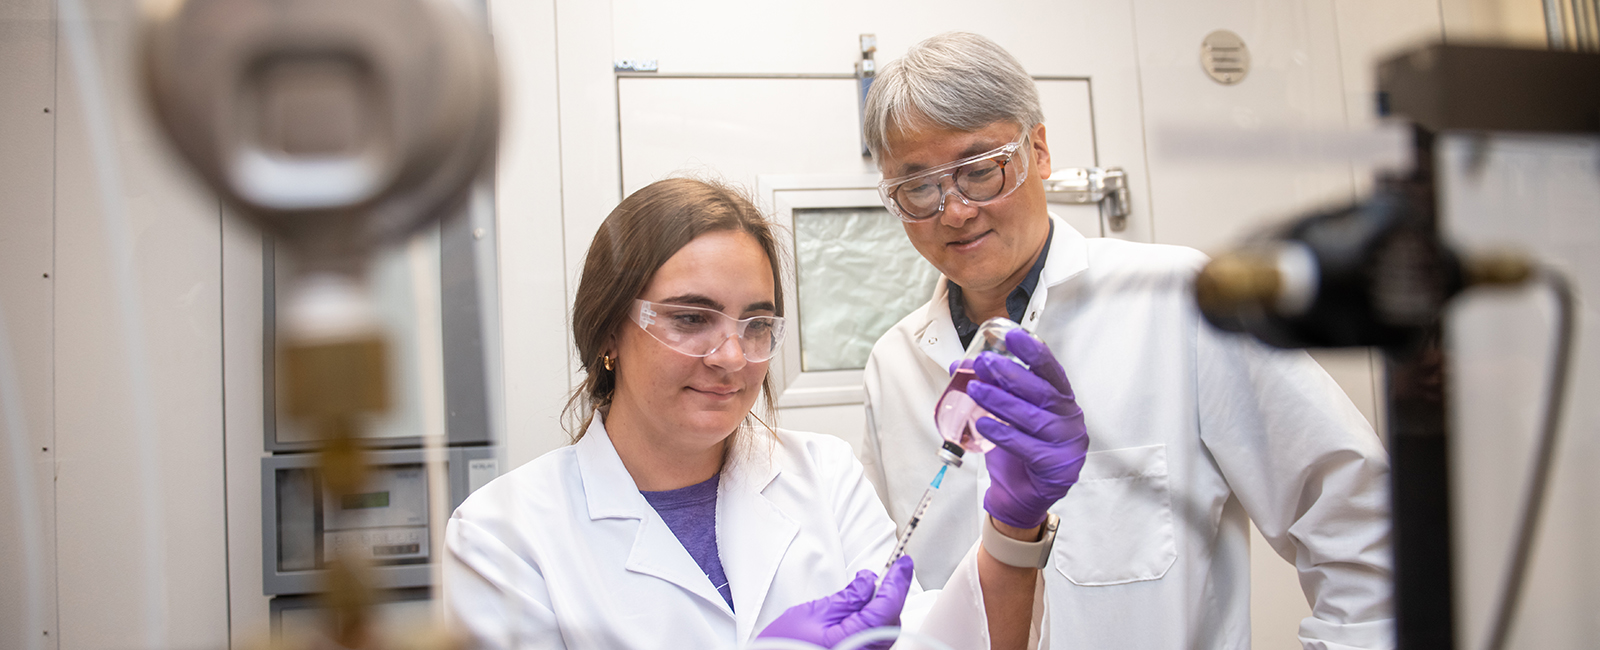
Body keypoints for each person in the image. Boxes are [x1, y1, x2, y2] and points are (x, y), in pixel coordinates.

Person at [857, 33, 1395, 649]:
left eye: (980, 170)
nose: (953, 210)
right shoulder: (892, 365)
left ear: (1038, 150)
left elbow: (1355, 515)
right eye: (918, 188)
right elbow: (892, 586)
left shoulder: (1177, 300)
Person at [443, 177, 1078, 650]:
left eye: (756, 324)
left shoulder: (823, 477)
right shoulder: (504, 535)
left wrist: (1011, 531)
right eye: (691, 318)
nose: (731, 356)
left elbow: (934, 643)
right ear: (608, 334)